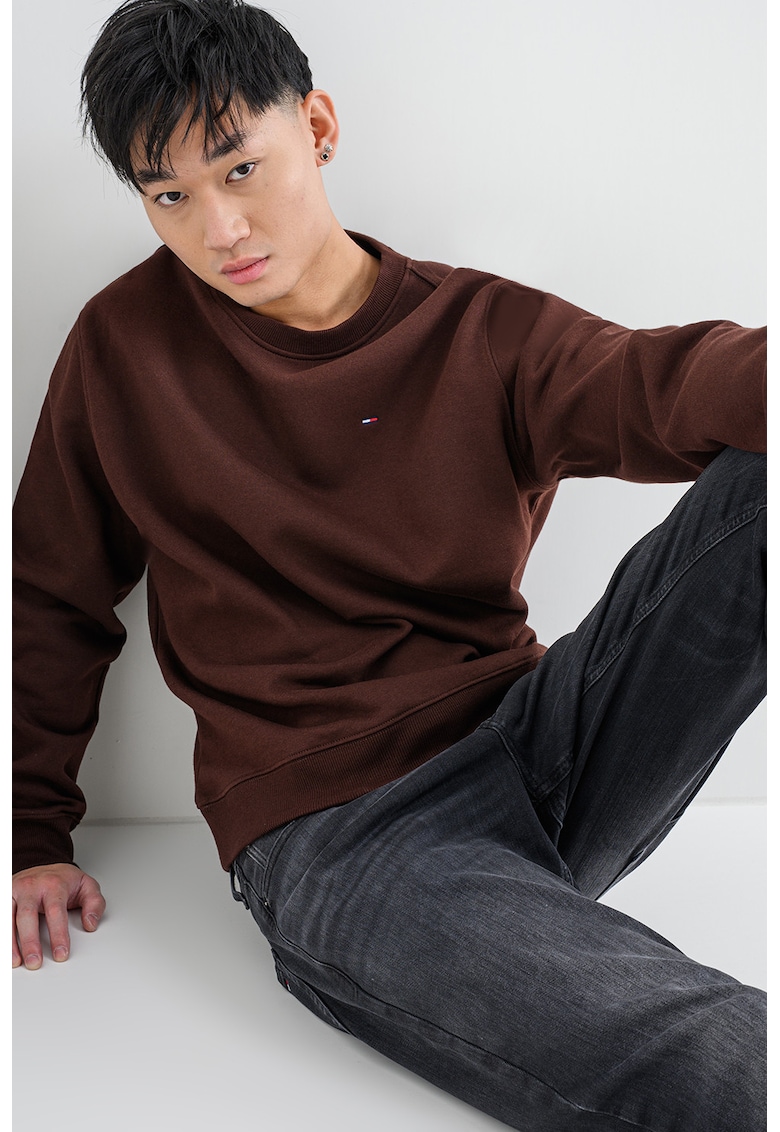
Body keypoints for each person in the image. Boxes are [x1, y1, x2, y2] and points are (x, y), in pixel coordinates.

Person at [12, 1, 766, 1128]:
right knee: (710, 1050)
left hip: (542, 743)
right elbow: (49, 593)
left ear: (317, 128)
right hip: (344, 836)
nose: (220, 228)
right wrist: (27, 832)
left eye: (240, 167)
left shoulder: (478, 329)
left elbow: (661, 384)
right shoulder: (123, 349)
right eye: (169, 196)